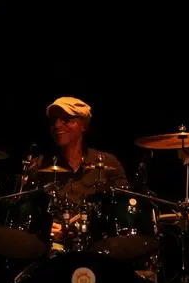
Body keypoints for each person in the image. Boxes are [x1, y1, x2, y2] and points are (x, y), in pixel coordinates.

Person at [25, 96, 129, 242]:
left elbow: (125, 209)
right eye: (53, 121)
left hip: (96, 245)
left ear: (83, 126)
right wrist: (43, 226)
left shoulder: (108, 163)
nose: (57, 125)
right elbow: (25, 213)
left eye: (65, 120)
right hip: (51, 247)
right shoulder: (39, 165)